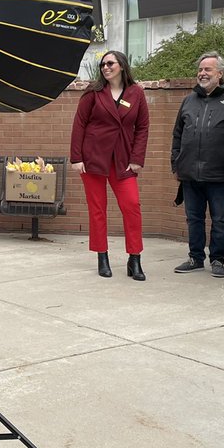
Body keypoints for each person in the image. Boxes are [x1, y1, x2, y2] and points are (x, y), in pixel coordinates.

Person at [71, 50, 150, 281]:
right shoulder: (93, 93)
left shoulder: (136, 93)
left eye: (110, 63)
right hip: (93, 157)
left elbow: (142, 127)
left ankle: (134, 258)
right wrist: (76, 158)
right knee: (97, 209)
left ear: (122, 66)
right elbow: (79, 124)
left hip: (123, 159)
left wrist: (137, 158)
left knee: (132, 206)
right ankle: (102, 256)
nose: (105, 67)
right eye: (103, 65)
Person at [170, 51, 224, 278]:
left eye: (208, 69)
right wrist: (176, 163)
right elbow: (177, 135)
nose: (202, 73)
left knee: (219, 219)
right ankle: (195, 258)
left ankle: (217, 260)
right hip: (189, 173)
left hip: (219, 173)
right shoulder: (188, 100)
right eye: (200, 69)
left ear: (220, 74)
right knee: (194, 219)